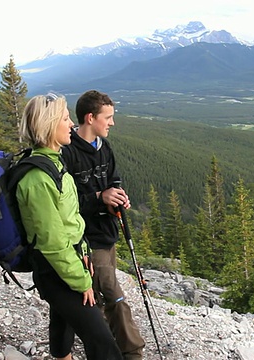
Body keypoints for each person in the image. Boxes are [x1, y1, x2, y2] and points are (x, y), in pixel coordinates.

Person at [16, 92, 123, 360]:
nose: (71, 126)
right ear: (50, 125)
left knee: (62, 319)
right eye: (65, 119)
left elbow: (71, 220)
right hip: (57, 272)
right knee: (103, 343)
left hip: (68, 264)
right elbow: (53, 242)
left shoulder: (54, 163)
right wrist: (82, 280)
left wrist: (83, 253)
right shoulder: (38, 178)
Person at [61, 90, 146, 360]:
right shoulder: (68, 151)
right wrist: (100, 198)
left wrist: (116, 198)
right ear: (90, 117)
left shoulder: (104, 147)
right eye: (107, 117)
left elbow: (114, 179)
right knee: (113, 293)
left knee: (98, 296)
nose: (112, 123)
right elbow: (65, 204)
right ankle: (131, 353)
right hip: (86, 239)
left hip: (108, 234)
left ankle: (100, 346)